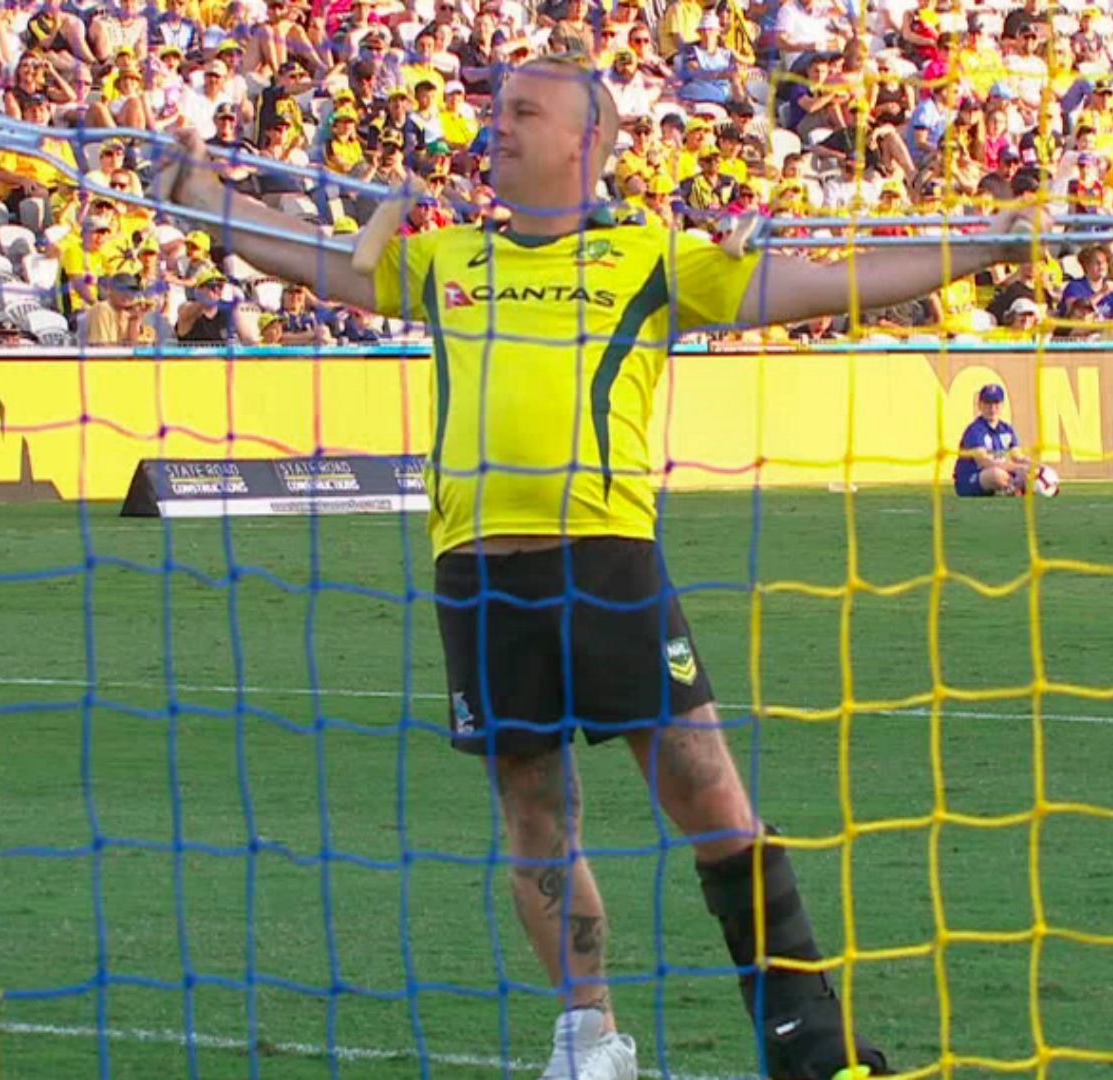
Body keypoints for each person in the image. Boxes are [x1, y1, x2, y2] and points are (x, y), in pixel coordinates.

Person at [152, 56, 1031, 1080]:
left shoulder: (647, 260)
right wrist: (199, 192)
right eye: (495, 110)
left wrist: (983, 245)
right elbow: (305, 258)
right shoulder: (444, 258)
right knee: (533, 809)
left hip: (605, 560)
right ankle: (587, 1040)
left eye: (524, 111)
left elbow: (819, 283)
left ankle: (811, 1045)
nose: (498, 126)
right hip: (476, 573)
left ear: (589, 140)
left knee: (709, 795)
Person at [954, 383, 1032, 497]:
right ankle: (1015, 487)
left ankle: (1014, 487)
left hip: (999, 471)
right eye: (988, 403)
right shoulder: (975, 430)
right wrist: (1017, 468)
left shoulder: (1007, 429)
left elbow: (1018, 457)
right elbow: (984, 462)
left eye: (996, 403)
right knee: (996, 475)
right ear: (979, 405)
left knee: (1029, 472)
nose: (992, 408)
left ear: (1002, 405)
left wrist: (1033, 466)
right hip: (971, 478)